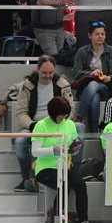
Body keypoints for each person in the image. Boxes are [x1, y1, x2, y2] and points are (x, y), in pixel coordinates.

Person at [13, 55, 78, 193]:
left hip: (59, 122)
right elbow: (20, 112)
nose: (48, 76)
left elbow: (71, 109)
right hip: (34, 125)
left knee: (80, 130)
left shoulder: (63, 84)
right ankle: (27, 178)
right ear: (37, 70)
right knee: (19, 142)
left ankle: (73, 171)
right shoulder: (27, 85)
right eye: (44, 73)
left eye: (51, 73)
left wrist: (63, 121)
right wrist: (32, 125)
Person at [31, 96, 88, 223]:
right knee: (63, 184)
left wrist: (76, 146)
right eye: (60, 116)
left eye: (65, 116)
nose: (63, 119)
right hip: (46, 167)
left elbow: (74, 141)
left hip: (65, 165)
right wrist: (53, 149)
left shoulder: (70, 124)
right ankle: (56, 218)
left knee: (80, 184)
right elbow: (35, 151)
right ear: (52, 114)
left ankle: (84, 219)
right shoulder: (41, 126)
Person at [71, 21, 112, 132]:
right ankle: (94, 131)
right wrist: (90, 74)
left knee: (94, 85)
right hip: (86, 89)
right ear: (90, 36)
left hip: (106, 88)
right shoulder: (82, 52)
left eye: (102, 34)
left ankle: (79, 117)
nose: (100, 36)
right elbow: (75, 72)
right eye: (97, 34)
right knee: (94, 98)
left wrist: (110, 78)